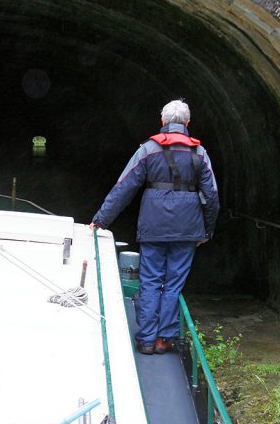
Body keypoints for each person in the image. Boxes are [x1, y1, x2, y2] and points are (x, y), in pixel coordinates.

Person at [90, 99, 219, 355]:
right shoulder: (200, 153)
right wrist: (207, 229)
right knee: (173, 284)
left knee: (149, 281)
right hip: (187, 228)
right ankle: (164, 339)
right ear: (188, 123)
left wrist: (101, 219)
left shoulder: (148, 150)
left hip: (154, 226)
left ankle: (146, 339)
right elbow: (212, 195)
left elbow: (124, 187)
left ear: (162, 121)